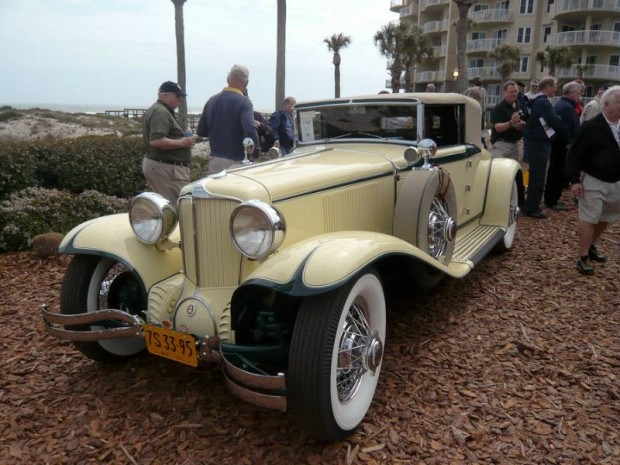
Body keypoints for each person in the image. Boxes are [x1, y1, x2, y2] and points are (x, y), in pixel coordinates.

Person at [565, 86, 620, 275]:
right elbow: (574, 154)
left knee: (606, 217)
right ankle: (583, 256)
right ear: (606, 104)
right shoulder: (591, 127)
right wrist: (575, 180)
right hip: (594, 180)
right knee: (589, 218)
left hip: (616, 180)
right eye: (619, 102)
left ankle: (591, 246)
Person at [197, 64, 258, 175]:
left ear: (227, 79)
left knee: (215, 191)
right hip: (236, 160)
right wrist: (255, 151)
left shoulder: (212, 100)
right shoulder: (244, 102)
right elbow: (249, 129)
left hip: (215, 158)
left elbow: (201, 131)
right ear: (246, 83)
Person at [142, 81, 195, 204]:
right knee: (180, 207)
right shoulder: (161, 112)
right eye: (177, 96)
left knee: (168, 205)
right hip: (167, 168)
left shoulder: (158, 110)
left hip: (162, 166)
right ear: (165, 95)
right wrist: (182, 143)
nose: (180, 100)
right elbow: (156, 141)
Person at [522, 76, 562, 219]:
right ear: (548, 86)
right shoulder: (543, 102)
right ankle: (532, 207)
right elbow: (553, 120)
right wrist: (558, 118)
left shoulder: (536, 101)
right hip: (539, 143)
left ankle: (531, 204)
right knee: (538, 177)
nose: (556, 89)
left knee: (535, 175)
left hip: (535, 143)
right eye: (555, 86)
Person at [544, 81, 581, 211]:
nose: (579, 95)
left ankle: (552, 199)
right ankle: (552, 200)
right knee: (557, 172)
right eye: (577, 92)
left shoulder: (566, 105)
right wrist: (568, 143)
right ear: (570, 93)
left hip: (561, 145)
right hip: (561, 146)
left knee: (558, 172)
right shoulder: (565, 107)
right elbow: (563, 127)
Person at [489, 80, 526, 161]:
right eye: (511, 92)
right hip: (500, 145)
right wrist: (511, 123)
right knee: (499, 171)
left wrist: (522, 124)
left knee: (513, 172)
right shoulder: (498, 108)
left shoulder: (519, 105)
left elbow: (524, 119)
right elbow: (497, 128)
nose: (514, 94)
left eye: (516, 91)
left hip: (515, 145)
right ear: (504, 93)